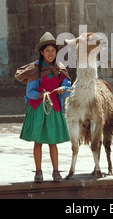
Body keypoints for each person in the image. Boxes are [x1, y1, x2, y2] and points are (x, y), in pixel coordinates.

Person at [18, 32, 71, 183]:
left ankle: (56, 172)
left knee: (52, 142)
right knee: (38, 141)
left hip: (53, 109)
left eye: (53, 51)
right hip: (39, 110)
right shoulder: (35, 70)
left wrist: (63, 90)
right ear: (41, 52)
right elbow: (30, 92)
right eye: (47, 51)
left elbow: (68, 88)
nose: (50, 54)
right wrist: (40, 95)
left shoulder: (60, 69)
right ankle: (38, 172)